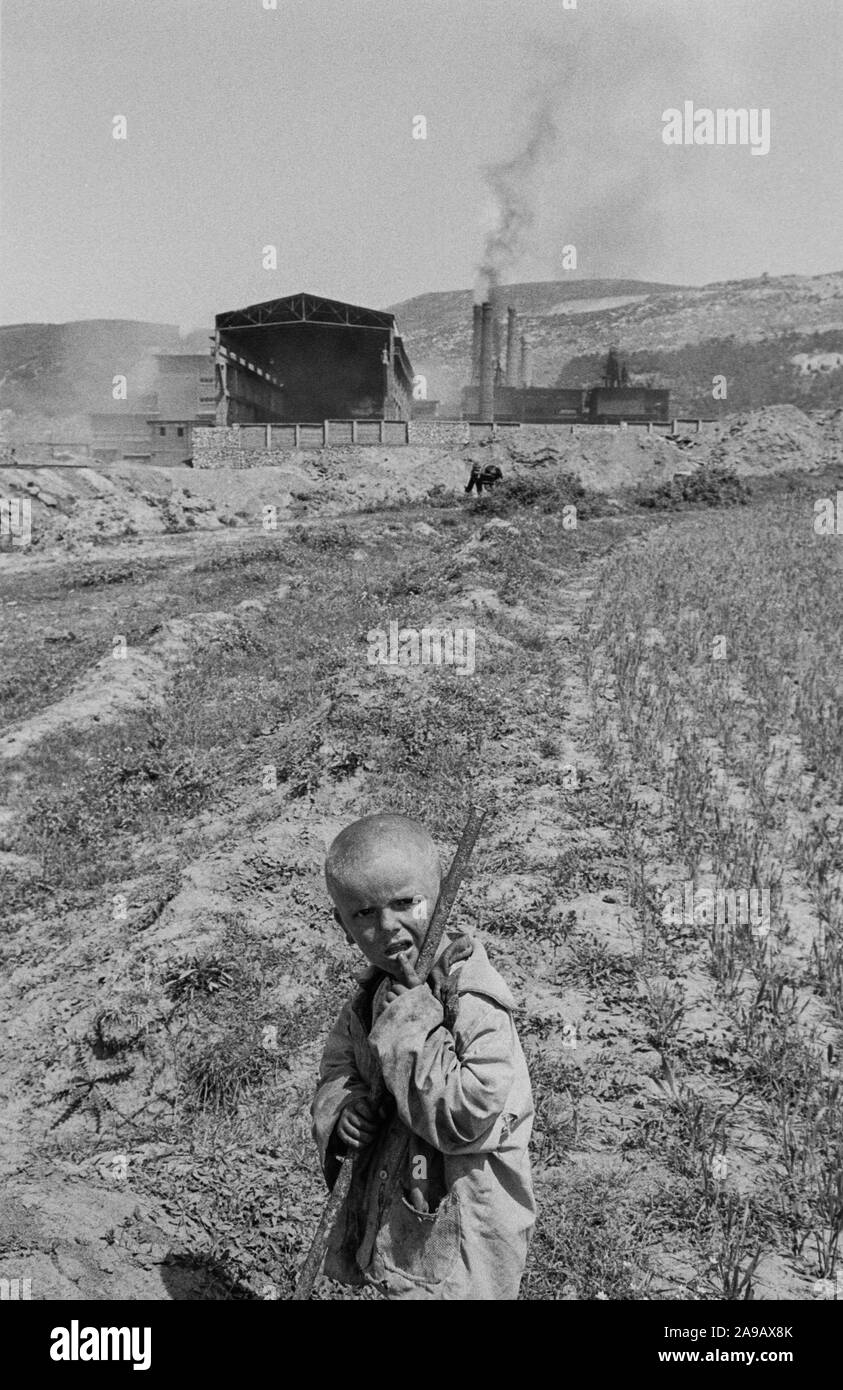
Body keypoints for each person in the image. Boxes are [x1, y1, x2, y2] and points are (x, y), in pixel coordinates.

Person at [311, 813, 535, 1300]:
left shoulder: (473, 1000)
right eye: (364, 914)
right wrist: (343, 1109)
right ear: (343, 923)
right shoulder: (371, 997)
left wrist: (412, 1024)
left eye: (405, 903)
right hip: (403, 1215)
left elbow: (469, 1115)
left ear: (436, 893)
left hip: (465, 1234)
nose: (388, 928)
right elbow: (338, 1067)